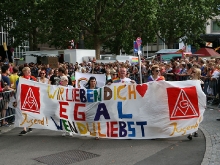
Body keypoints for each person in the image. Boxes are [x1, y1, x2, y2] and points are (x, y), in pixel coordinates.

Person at [17, 67, 36, 135]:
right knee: (23, 113)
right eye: (27, 71)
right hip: (23, 98)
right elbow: (18, 88)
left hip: (31, 98)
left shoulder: (33, 78)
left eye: (29, 71)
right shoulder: (20, 79)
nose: (28, 72)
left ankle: (30, 125)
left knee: (30, 113)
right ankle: (24, 129)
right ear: (24, 72)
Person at [187, 68, 203, 140]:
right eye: (192, 72)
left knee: (197, 116)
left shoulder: (200, 82)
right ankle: (190, 132)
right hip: (190, 100)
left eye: (194, 72)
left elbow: (202, 93)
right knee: (190, 116)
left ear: (197, 74)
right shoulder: (189, 81)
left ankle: (195, 131)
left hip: (198, 101)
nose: (192, 73)